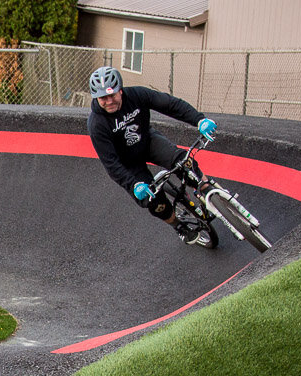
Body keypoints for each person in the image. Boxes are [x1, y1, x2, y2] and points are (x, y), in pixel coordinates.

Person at [87, 66, 220, 246]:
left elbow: (170, 104)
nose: (109, 101)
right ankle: (178, 225)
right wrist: (133, 184)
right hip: (128, 164)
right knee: (154, 202)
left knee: (183, 162)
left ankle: (207, 188)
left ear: (120, 90)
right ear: (96, 97)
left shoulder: (136, 95)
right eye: (103, 98)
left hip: (147, 142)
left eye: (113, 95)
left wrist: (199, 119)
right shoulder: (97, 124)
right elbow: (111, 164)